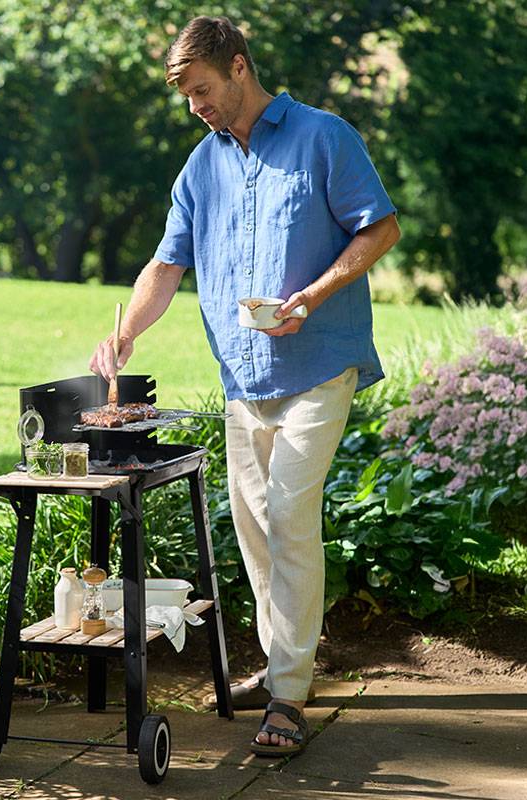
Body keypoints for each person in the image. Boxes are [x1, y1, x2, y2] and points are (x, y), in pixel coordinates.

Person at [89, 15, 400, 757]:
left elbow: (380, 229)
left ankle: (288, 695)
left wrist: (311, 297)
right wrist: (127, 331)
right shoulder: (202, 167)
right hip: (243, 374)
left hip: (320, 361)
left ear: (237, 66)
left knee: (290, 513)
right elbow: (167, 265)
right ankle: (281, 663)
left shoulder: (324, 136)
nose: (196, 105)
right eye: (186, 96)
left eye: (202, 89)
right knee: (256, 527)